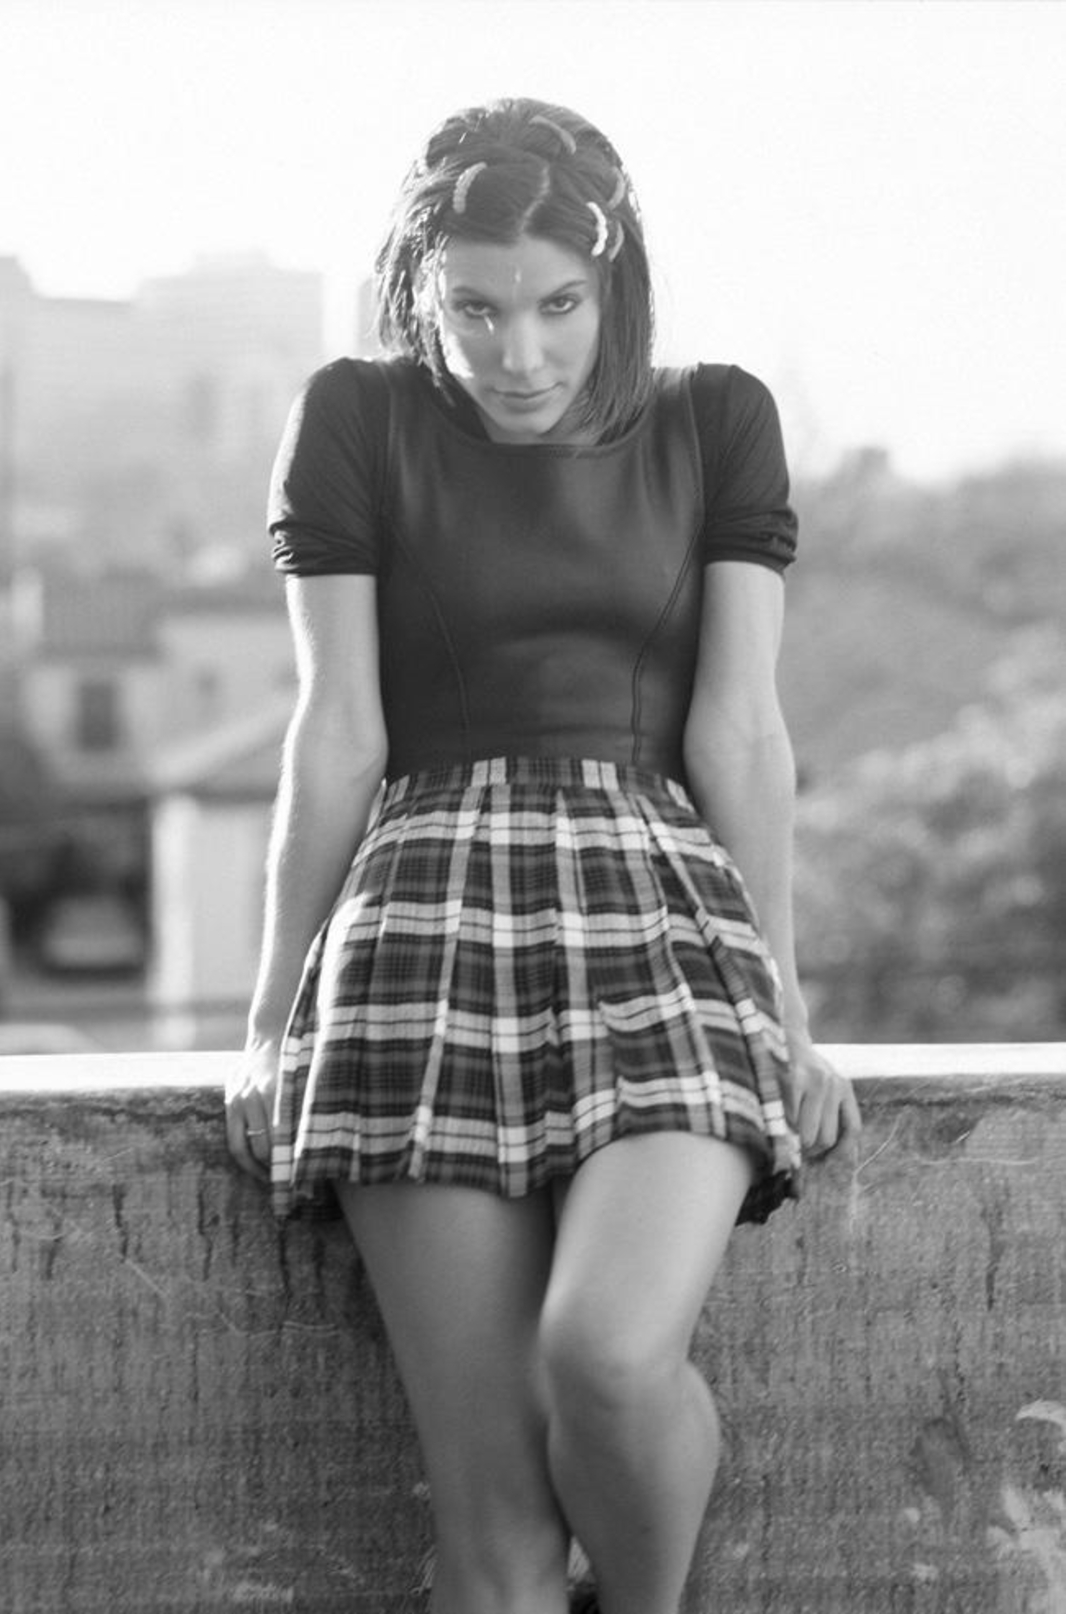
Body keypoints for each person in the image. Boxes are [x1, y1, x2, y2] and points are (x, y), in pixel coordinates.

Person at [226, 96, 860, 1614]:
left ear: (614, 283)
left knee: (609, 1351)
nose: (518, 352)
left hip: (663, 921)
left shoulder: (717, 417)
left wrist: (784, 1008)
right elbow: (336, 737)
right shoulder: (356, 417)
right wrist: (264, 1026)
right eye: (476, 308)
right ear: (419, 289)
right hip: (417, 937)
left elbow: (743, 735)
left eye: (558, 306)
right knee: (499, 1533)